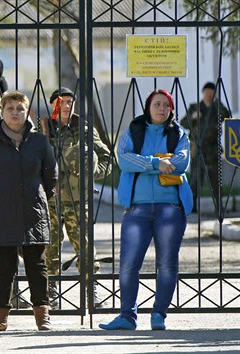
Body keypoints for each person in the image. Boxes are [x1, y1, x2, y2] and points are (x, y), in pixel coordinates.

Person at [100, 89, 192, 331]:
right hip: (137, 209)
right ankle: (127, 316)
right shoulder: (133, 131)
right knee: (129, 264)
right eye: (157, 104)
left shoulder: (179, 134)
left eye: (166, 105)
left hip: (170, 209)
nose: (161, 108)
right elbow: (124, 159)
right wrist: (156, 163)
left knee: (167, 264)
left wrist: (147, 163)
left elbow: (181, 162)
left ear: (171, 110)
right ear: (148, 107)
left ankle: (159, 314)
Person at [0, 90, 57, 332]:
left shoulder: (40, 141)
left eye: (20, 108)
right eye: (10, 109)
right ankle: (0, 318)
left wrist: (38, 196)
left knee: (37, 265)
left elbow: (50, 175)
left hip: (33, 211)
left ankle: (43, 316)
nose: (15, 113)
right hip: (2, 212)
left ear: (27, 111)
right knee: (4, 266)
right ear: (2, 111)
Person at [41, 87, 112, 308]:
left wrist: (91, 174)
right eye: (61, 101)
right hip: (50, 200)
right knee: (49, 246)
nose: (66, 105)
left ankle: (91, 289)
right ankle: (50, 289)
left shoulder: (84, 129)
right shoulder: (43, 129)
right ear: (53, 105)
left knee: (86, 246)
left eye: (71, 101)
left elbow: (106, 159)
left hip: (78, 199)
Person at [179, 82, 230, 211]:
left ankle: (219, 206)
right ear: (203, 92)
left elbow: (226, 116)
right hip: (198, 148)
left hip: (213, 149)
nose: (209, 94)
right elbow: (183, 123)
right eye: (207, 91)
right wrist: (193, 117)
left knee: (215, 180)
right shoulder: (195, 107)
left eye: (211, 92)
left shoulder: (217, 107)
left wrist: (216, 103)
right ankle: (192, 206)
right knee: (195, 179)